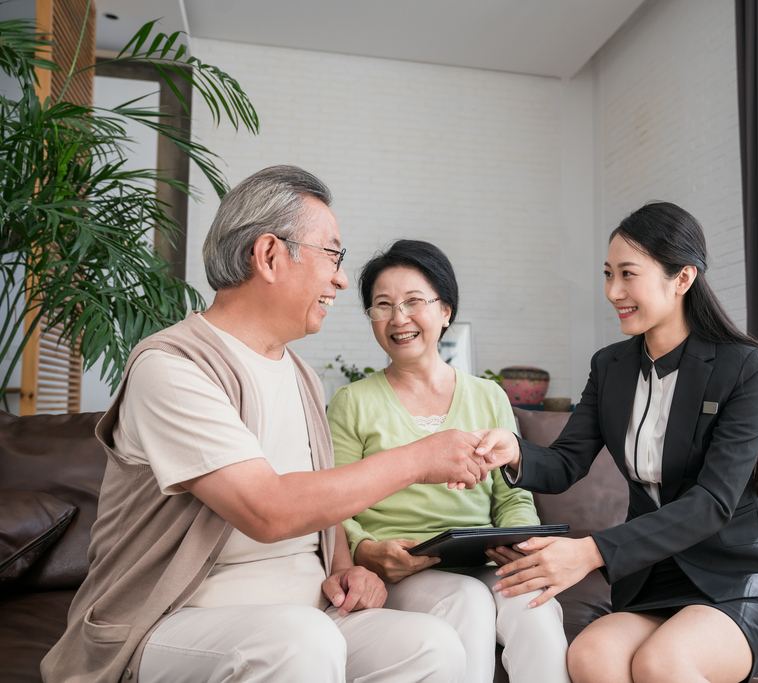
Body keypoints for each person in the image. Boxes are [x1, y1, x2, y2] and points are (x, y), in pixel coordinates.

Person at [42, 167, 497, 683]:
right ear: (269, 256)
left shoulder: (301, 374)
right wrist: (419, 458)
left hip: (305, 618)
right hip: (172, 623)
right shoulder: (172, 367)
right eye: (333, 254)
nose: (342, 280)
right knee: (301, 640)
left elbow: (319, 502)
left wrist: (345, 567)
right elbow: (268, 510)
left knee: (432, 646)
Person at [474, 202, 758, 683]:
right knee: (589, 657)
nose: (612, 292)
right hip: (652, 576)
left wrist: (592, 552)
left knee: (661, 663)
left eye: (628, 274)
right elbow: (565, 462)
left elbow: (713, 503)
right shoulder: (610, 367)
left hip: (735, 574)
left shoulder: (745, 367)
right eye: (608, 274)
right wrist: (515, 451)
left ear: (683, 278)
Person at [327, 239, 571, 683]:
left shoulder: (488, 396)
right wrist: (366, 551)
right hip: (403, 571)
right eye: (383, 305)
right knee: (467, 600)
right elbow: (332, 504)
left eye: (414, 302)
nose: (398, 318)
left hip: (482, 561)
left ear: (446, 311)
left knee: (534, 604)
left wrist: (518, 541)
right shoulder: (351, 403)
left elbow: (511, 496)